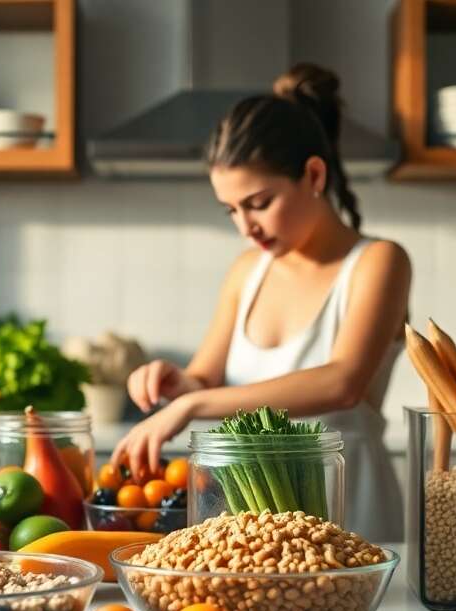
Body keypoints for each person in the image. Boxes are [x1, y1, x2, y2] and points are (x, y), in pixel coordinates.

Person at [110, 63, 412, 541]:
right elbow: (203, 381)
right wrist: (175, 383)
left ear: (313, 175)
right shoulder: (247, 271)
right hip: (250, 522)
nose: (244, 227)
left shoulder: (379, 262)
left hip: (353, 510)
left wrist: (192, 406)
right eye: (231, 210)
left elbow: (342, 383)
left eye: (258, 202)